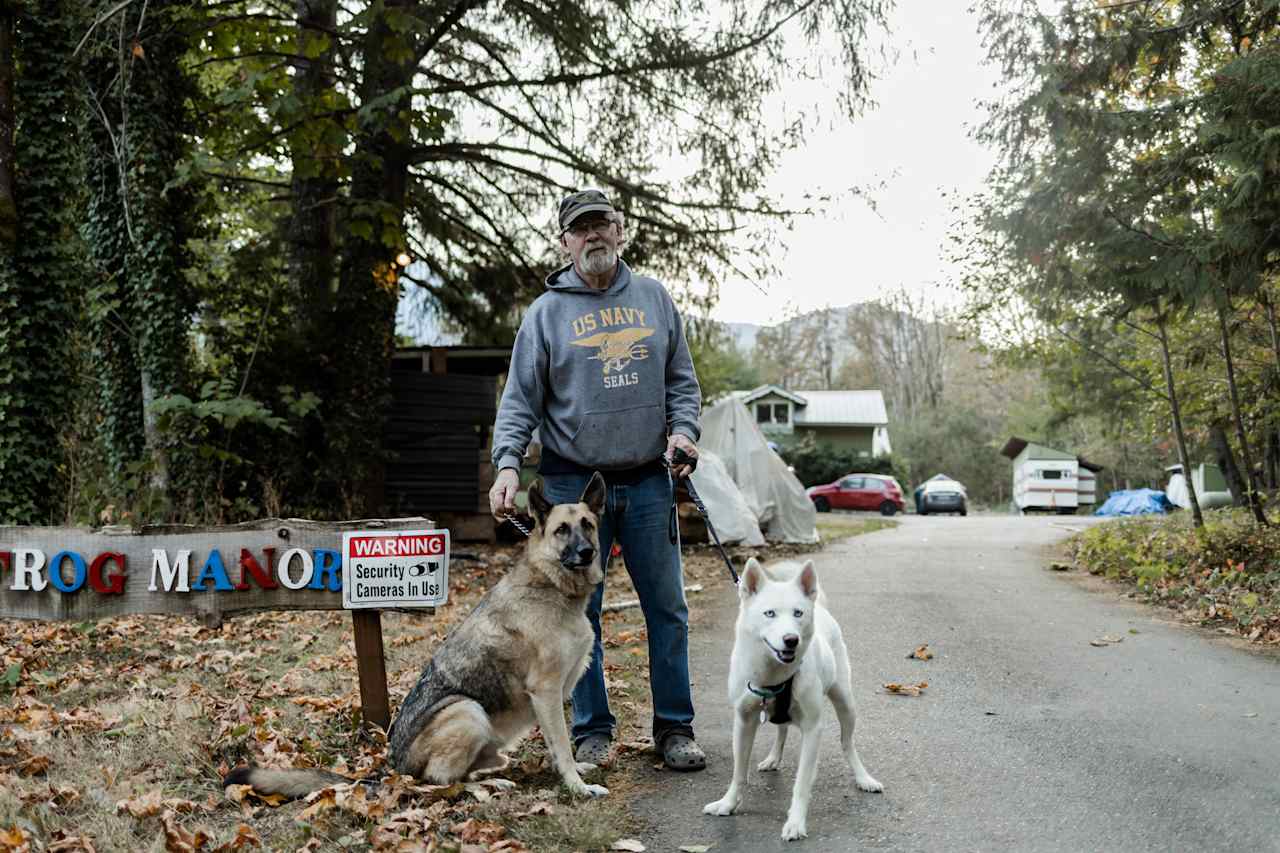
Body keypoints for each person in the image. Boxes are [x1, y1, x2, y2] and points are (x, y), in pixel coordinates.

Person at [488, 188, 706, 772]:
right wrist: (508, 462)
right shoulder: (545, 314)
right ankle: (591, 733)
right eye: (581, 229)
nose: (593, 237)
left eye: (602, 225)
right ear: (565, 242)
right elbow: (519, 401)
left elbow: (682, 382)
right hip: (569, 489)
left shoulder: (655, 299)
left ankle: (675, 729)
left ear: (620, 230)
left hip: (647, 481)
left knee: (668, 609)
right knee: (573, 616)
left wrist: (684, 432)